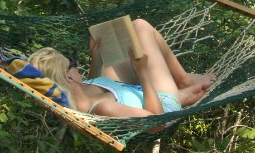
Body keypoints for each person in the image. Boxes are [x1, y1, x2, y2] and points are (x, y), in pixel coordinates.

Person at [29, 18, 215, 117]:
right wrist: (142, 71)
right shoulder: (103, 108)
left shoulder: (79, 94)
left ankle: (184, 94)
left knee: (130, 33)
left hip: (125, 90)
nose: (76, 67)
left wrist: (97, 58)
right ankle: (183, 81)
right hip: (161, 105)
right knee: (141, 27)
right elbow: (156, 122)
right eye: (72, 64)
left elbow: (94, 85)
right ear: (67, 77)